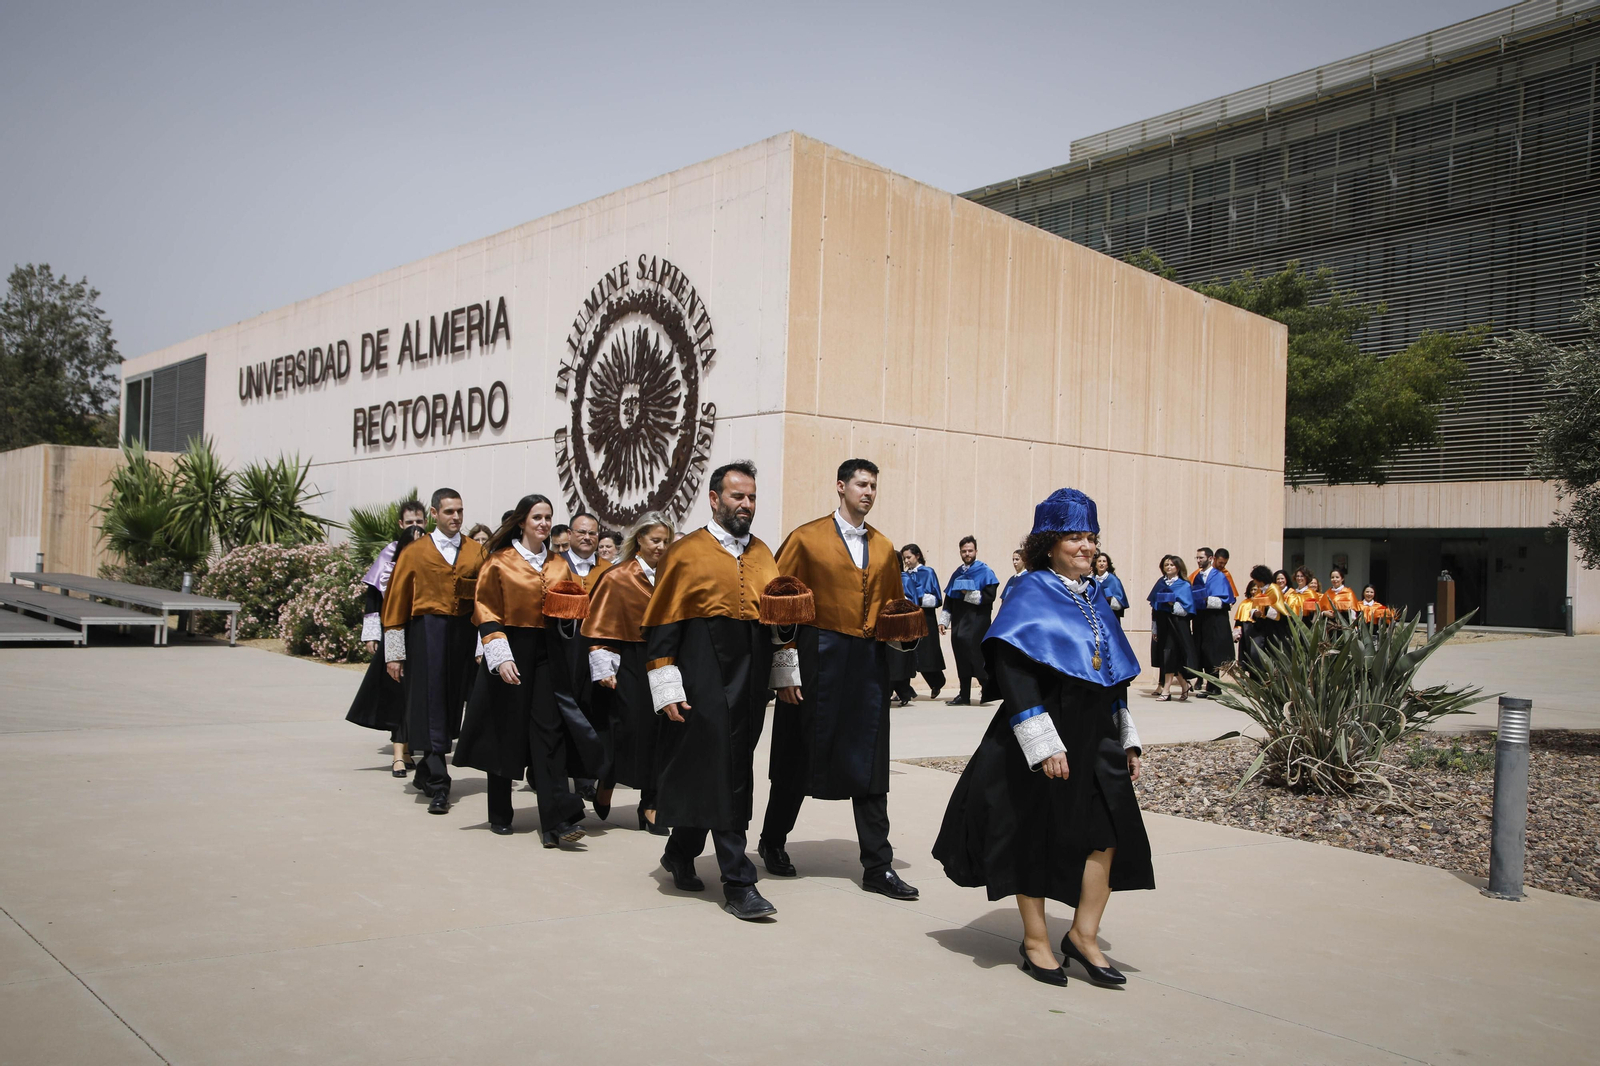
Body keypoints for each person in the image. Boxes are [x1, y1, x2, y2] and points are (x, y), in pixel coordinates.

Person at [933, 488, 1153, 988]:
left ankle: (1083, 936)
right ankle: (1035, 940)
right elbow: (1013, 670)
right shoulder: (1029, 589)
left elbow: (1112, 671)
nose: (1086, 546)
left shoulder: (1095, 594)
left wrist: (1127, 736)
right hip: (1045, 728)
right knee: (1030, 834)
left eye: (1091, 536)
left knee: (1109, 832)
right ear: (1049, 543)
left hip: (1096, 732)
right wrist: (1043, 743)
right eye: (1074, 537)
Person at [758, 459, 920, 900]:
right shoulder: (805, 538)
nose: (868, 492)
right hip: (815, 657)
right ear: (840, 486)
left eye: (873, 486)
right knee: (796, 754)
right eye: (861, 484)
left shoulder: (885, 547)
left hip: (868, 665)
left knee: (870, 762)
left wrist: (904, 645)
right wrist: (784, 671)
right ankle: (772, 840)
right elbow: (778, 606)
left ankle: (878, 865)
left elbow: (893, 611)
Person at [644, 460, 781, 921]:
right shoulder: (684, 552)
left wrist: (785, 673)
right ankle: (739, 882)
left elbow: (778, 622)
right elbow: (662, 624)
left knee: (727, 767)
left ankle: (680, 851)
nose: (746, 504)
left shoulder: (763, 553)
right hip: (702, 671)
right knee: (725, 770)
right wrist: (666, 685)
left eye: (752, 497)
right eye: (738, 496)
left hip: (751, 675)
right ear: (714, 498)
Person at [454, 494, 598, 844]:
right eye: (537, 517)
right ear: (521, 522)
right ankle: (500, 811)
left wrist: (571, 614)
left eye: (548, 517)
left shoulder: (559, 564)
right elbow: (486, 610)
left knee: (550, 733)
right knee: (504, 730)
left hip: (548, 653)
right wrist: (500, 656)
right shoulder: (499, 562)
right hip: (510, 648)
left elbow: (571, 613)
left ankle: (557, 822)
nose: (544, 523)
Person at [381, 488, 487, 814]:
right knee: (430, 701)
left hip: (462, 635)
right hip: (426, 631)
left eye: (460, 511)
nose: (456, 517)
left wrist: (485, 642)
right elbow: (396, 601)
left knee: (452, 704)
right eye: (449, 511)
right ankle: (440, 783)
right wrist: (394, 653)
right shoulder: (414, 552)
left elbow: (486, 600)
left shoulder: (476, 552)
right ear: (434, 513)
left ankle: (426, 769)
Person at [583, 513, 673, 834]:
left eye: (666, 541)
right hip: (629, 659)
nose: (661, 546)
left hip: (667, 658)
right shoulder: (617, 576)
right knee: (627, 728)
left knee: (663, 730)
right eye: (655, 540)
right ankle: (607, 779)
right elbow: (597, 624)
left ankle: (651, 803)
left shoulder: (674, 576)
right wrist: (602, 662)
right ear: (640, 540)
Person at [347, 516, 428, 774]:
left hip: (422, 639)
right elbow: (375, 601)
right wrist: (373, 636)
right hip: (395, 639)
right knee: (398, 695)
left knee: (413, 697)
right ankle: (398, 755)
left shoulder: (430, 570)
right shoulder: (391, 571)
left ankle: (406, 750)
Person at [941, 537, 999, 705]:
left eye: (970, 551)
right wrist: (944, 621)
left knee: (976, 655)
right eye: (964, 551)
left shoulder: (985, 571)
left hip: (978, 620)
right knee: (960, 655)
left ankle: (988, 689)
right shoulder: (957, 573)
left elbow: (990, 597)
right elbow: (949, 599)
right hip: (959, 621)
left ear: (976, 551)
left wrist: (968, 593)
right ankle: (964, 694)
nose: (967, 554)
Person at [889, 544, 945, 705]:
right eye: (904, 558)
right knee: (908, 655)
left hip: (925, 618)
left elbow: (936, 599)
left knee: (927, 655)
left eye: (909, 557)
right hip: (908, 619)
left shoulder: (928, 572)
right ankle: (904, 689)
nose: (907, 561)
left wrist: (917, 597)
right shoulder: (904, 575)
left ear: (918, 556)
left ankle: (936, 682)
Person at [1188, 547, 1236, 698]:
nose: (1198, 560)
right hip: (1201, 619)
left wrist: (1206, 599)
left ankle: (1215, 687)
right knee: (1203, 651)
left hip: (1215, 619)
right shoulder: (1197, 576)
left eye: (1201, 558)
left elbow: (1226, 600)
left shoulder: (1219, 576)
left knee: (1214, 652)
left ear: (1210, 559)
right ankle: (1209, 686)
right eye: (1197, 558)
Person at [1147, 555, 1195, 701]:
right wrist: (1154, 628)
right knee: (1167, 656)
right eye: (1166, 565)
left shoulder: (1184, 585)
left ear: (1178, 567)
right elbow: (1154, 607)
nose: (1168, 567)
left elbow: (1187, 609)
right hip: (1162, 623)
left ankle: (1166, 690)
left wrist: (1172, 604)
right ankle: (1184, 685)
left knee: (1170, 654)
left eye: (1171, 565)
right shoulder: (1160, 583)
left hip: (1177, 624)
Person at [1091, 552, 1128, 619]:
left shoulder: (1114, 580)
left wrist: (1110, 600)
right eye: (1099, 561)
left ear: (1107, 565)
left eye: (1104, 561)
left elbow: (1120, 603)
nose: (1101, 563)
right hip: (1095, 616)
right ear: (1095, 565)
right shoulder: (1092, 581)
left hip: (1110, 616)